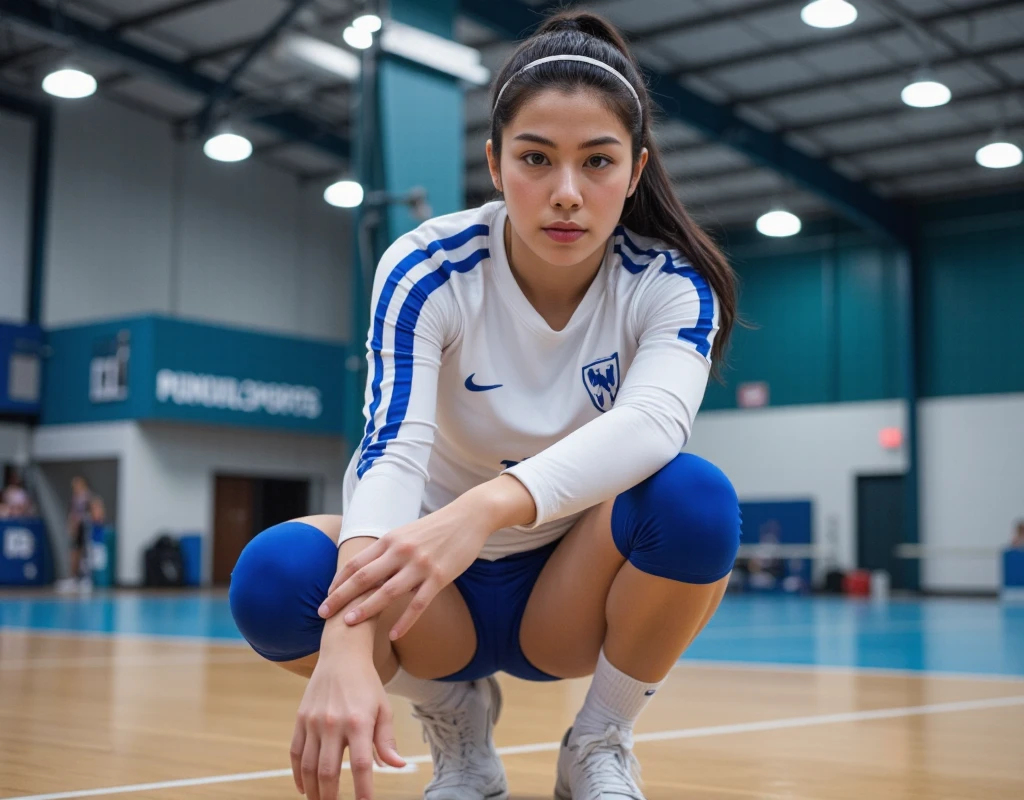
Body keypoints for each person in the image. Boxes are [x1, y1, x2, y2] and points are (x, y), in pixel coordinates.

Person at [229, 11, 741, 800]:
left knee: (696, 497)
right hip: (429, 597)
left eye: (597, 162)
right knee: (275, 578)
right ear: (497, 164)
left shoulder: (669, 283)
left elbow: (654, 425)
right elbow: (391, 448)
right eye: (536, 158)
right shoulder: (428, 266)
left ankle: (599, 740)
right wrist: (342, 639)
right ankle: (459, 730)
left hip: (568, 593)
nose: (566, 194)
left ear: (634, 172)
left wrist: (484, 510)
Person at [62, 476, 105, 592]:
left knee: (87, 555)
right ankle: (74, 579)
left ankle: (87, 579)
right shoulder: (75, 499)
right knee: (75, 553)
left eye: (77, 484)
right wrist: (71, 526)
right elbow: (72, 515)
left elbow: (98, 514)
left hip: (87, 529)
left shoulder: (90, 498)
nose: (75, 488)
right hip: (78, 530)